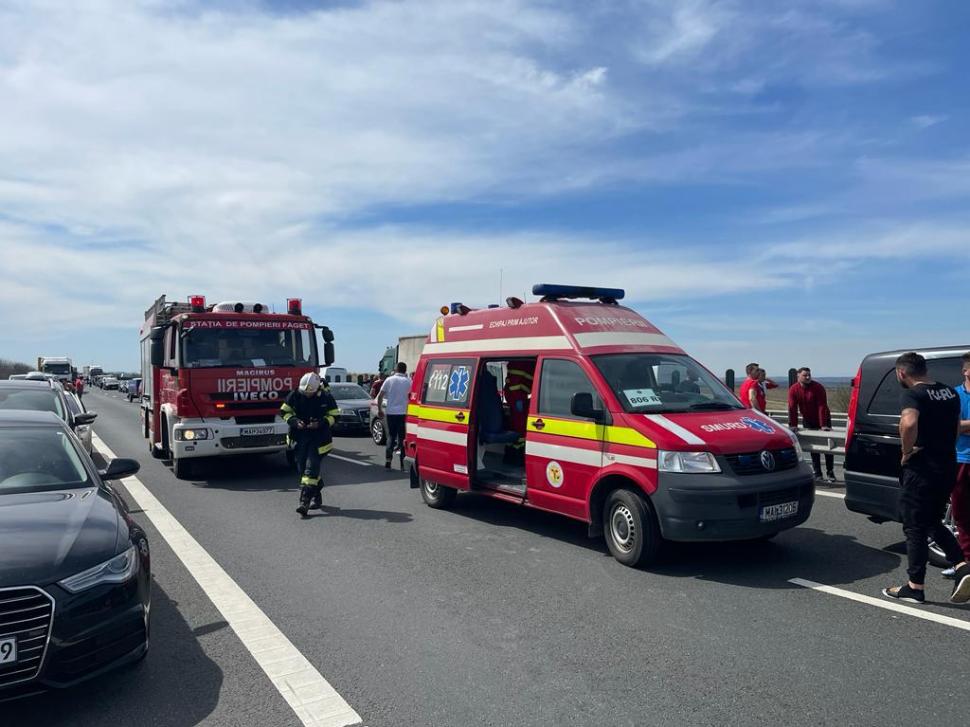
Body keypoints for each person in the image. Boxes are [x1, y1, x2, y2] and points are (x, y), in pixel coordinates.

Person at [883, 352, 970, 604]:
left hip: (922, 470)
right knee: (932, 521)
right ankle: (962, 566)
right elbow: (955, 428)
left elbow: (909, 423)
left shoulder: (913, 394)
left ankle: (915, 586)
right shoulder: (949, 393)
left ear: (902, 373)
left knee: (914, 526)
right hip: (948, 466)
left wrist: (906, 451)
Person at [279, 373, 340, 517]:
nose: (306, 394)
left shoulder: (326, 397)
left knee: (310, 469)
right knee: (301, 469)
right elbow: (284, 412)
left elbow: (335, 416)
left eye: (309, 392)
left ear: (317, 388)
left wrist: (320, 423)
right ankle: (317, 493)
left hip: (319, 439)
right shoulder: (295, 394)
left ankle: (304, 502)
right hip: (300, 437)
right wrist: (294, 422)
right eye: (304, 392)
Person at [943, 352, 970, 582]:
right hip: (960, 459)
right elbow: (953, 427)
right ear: (965, 371)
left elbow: (960, 426)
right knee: (961, 514)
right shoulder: (954, 395)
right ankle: (965, 565)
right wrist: (961, 426)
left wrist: (963, 426)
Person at [788, 367, 835, 482]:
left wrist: (823, 425)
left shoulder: (818, 387)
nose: (808, 377)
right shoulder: (794, 389)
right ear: (798, 376)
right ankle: (817, 473)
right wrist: (793, 424)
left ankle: (830, 472)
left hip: (823, 419)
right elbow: (792, 408)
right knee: (814, 448)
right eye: (805, 375)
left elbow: (822, 406)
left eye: (809, 375)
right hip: (808, 420)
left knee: (828, 447)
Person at [377, 362, 411, 470]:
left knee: (391, 436)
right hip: (403, 413)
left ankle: (388, 460)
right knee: (402, 438)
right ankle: (402, 463)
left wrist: (380, 410)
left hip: (391, 412)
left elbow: (380, 396)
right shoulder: (409, 381)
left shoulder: (389, 380)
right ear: (405, 370)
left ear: (396, 369)